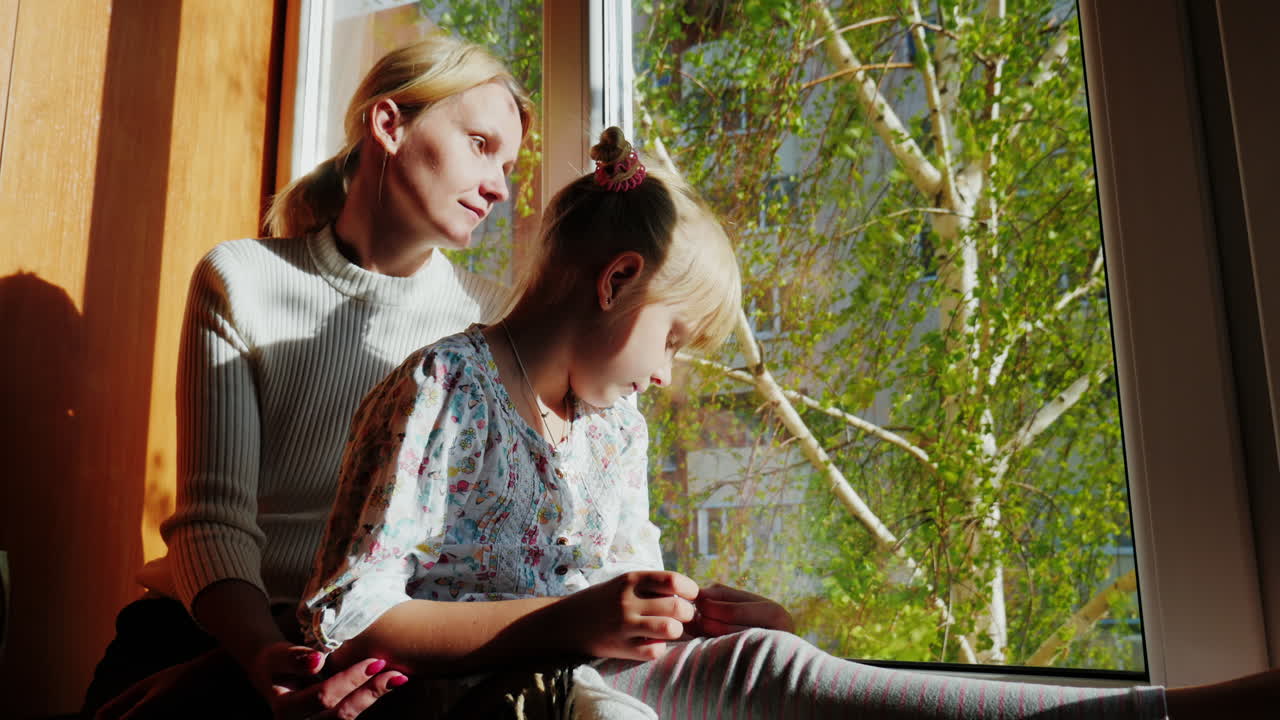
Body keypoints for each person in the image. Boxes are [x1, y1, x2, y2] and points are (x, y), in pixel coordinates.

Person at [297, 126, 1279, 719]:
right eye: (674, 341)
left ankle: (1164, 715)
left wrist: (683, 613)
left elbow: (614, 604)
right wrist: (571, 623)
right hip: (485, 706)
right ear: (617, 282)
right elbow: (350, 620)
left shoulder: (611, 432)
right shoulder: (441, 392)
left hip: (606, 680)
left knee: (780, 666)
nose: (669, 378)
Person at [82, 31, 536, 720]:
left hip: (376, 653)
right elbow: (213, 522)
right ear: (389, 124)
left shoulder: (493, 322)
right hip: (207, 627)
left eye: (508, 163)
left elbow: (470, 562)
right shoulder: (242, 278)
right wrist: (250, 658)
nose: (500, 187)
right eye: (482, 145)